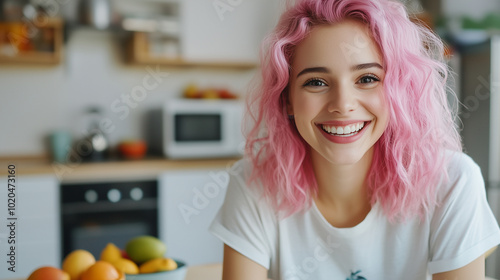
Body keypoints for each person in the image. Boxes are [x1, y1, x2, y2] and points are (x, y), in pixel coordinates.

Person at [209, 0, 500, 279]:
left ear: (399, 90)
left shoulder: (452, 181)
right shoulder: (253, 182)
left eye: (367, 78)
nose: (343, 104)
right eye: (316, 82)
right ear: (287, 100)